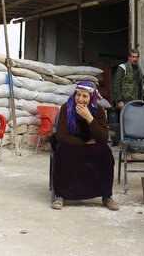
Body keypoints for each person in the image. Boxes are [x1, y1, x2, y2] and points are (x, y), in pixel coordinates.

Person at [51, 81, 119, 211]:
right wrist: (84, 144)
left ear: (91, 98)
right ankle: (60, 195)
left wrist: (89, 118)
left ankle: (106, 195)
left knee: (105, 153)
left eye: (85, 96)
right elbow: (61, 136)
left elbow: (103, 137)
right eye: (78, 95)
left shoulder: (98, 110)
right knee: (62, 152)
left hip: (91, 142)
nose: (80, 99)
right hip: (71, 142)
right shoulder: (66, 108)